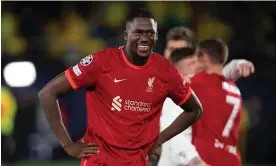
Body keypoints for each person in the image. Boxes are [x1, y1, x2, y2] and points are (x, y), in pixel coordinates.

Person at [38, 9, 203, 166]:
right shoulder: (101, 63)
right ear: (126, 35)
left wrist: (160, 139)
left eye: (150, 33)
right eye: (138, 32)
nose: (145, 38)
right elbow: (48, 93)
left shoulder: (165, 70)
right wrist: (67, 144)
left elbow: (194, 109)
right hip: (100, 161)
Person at [157, 26, 254, 166]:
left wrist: (237, 64)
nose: (196, 65)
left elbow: (217, 77)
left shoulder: (189, 86)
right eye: (171, 49)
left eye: (193, 59)